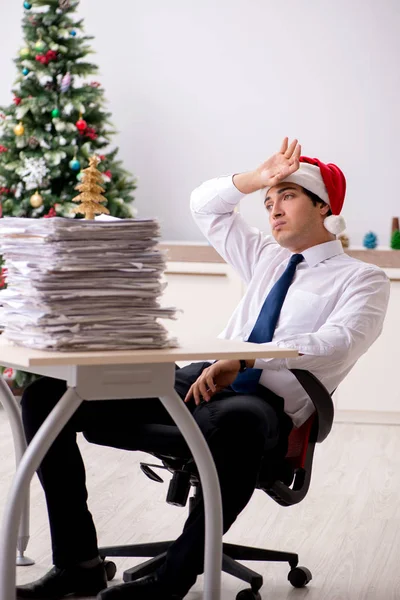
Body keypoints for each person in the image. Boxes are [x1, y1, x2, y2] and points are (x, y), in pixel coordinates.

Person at [17, 139, 390, 600]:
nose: (272, 208)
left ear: (325, 207)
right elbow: (206, 207)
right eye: (268, 201)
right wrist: (258, 178)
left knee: (240, 422)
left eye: (287, 196)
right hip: (196, 379)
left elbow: (340, 341)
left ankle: (174, 578)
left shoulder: (362, 279)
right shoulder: (264, 257)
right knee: (46, 394)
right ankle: (78, 564)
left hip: (259, 404)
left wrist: (249, 357)